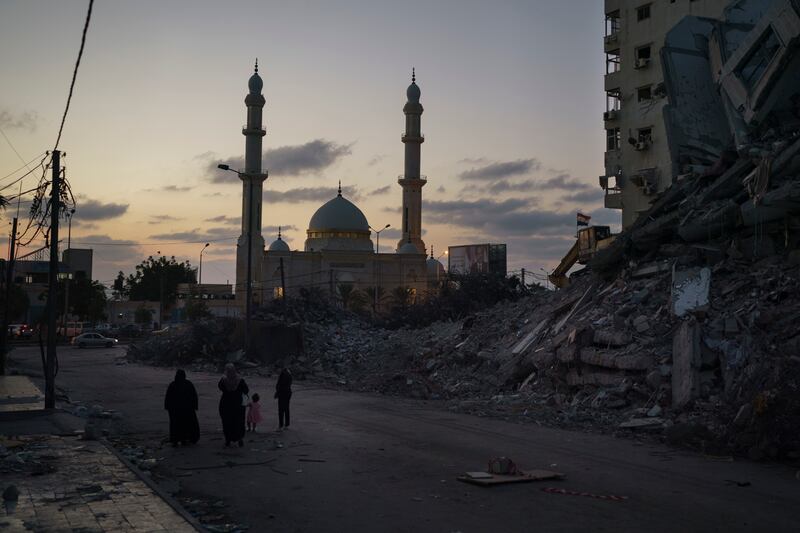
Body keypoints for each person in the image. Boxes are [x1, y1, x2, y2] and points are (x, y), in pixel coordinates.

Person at [164, 369, 200, 446]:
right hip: (187, 409)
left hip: (175, 410)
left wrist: (167, 407)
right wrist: (194, 406)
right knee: (186, 424)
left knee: (175, 425)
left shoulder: (173, 385)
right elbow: (194, 396)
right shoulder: (188, 384)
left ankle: (175, 440)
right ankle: (184, 439)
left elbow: (168, 397)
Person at [218, 363, 249, 447]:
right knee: (239, 422)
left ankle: (228, 439)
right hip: (238, 404)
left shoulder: (223, 380)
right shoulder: (240, 380)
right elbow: (246, 390)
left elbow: (220, 387)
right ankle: (240, 439)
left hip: (226, 403)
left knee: (227, 422)